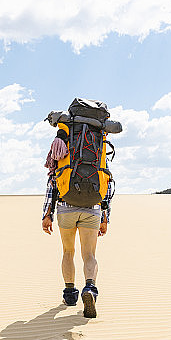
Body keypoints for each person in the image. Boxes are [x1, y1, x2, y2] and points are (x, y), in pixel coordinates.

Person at [41, 130, 113, 318]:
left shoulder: (64, 150)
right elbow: (107, 186)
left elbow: (52, 184)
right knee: (89, 254)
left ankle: (70, 295)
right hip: (92, 208)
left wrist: (46, 214)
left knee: (68, 251)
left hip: (66, 207)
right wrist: (105, 217)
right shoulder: (97, 153)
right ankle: (90, 288)